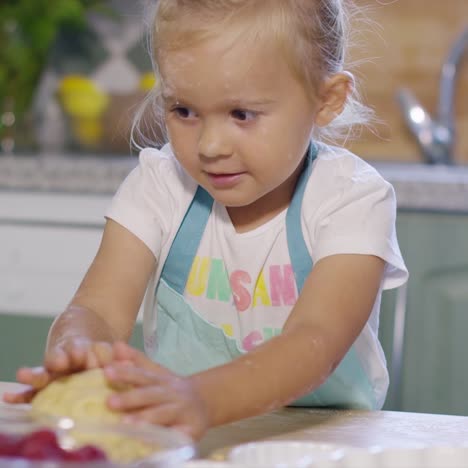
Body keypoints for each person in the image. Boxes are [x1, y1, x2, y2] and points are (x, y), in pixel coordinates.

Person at [4, 0, 408, 440]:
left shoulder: (350, 198)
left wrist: (201, 397)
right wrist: (77, 354)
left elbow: (315, 341)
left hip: (327, 441)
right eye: (184, 111)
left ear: (326, 100)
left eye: (241, 114)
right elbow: (97, 309)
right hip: (186, 436)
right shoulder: (159, 187)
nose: (211, 146)